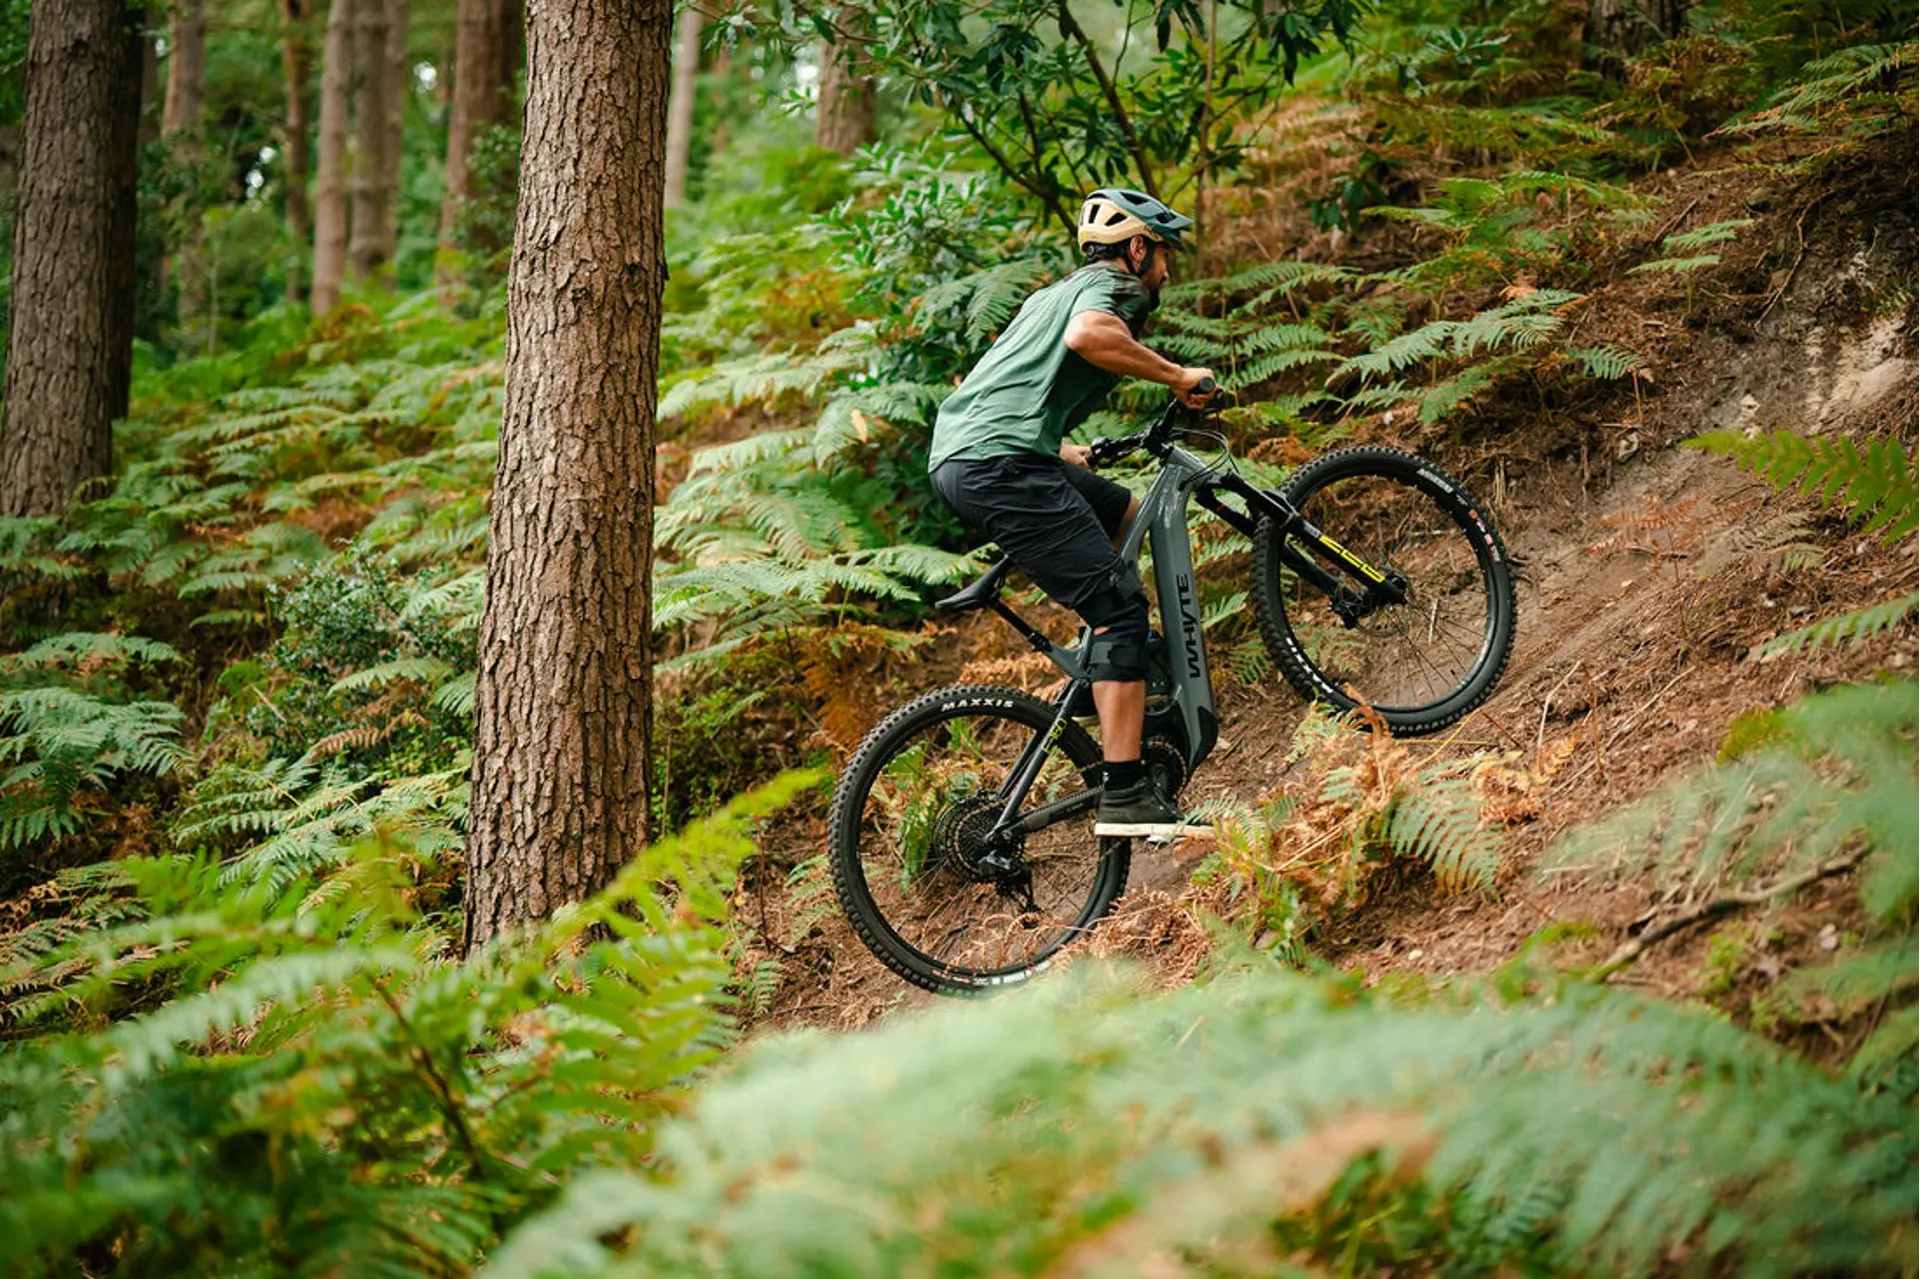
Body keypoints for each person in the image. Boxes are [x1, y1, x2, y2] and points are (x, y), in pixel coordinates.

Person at [928, 188, 1217, 839]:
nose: (1166, 269)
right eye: (1162, 253)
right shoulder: (1115, 289)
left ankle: (1108, 673)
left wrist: (1059, 449)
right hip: (997, 464)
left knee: (1126, 513)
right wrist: (1177, 377)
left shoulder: (1047, 297)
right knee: (1120, 609)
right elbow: (1088, 336)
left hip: (977, 452)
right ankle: (1126, 794)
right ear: (1136, 249)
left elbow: (1000, 380)